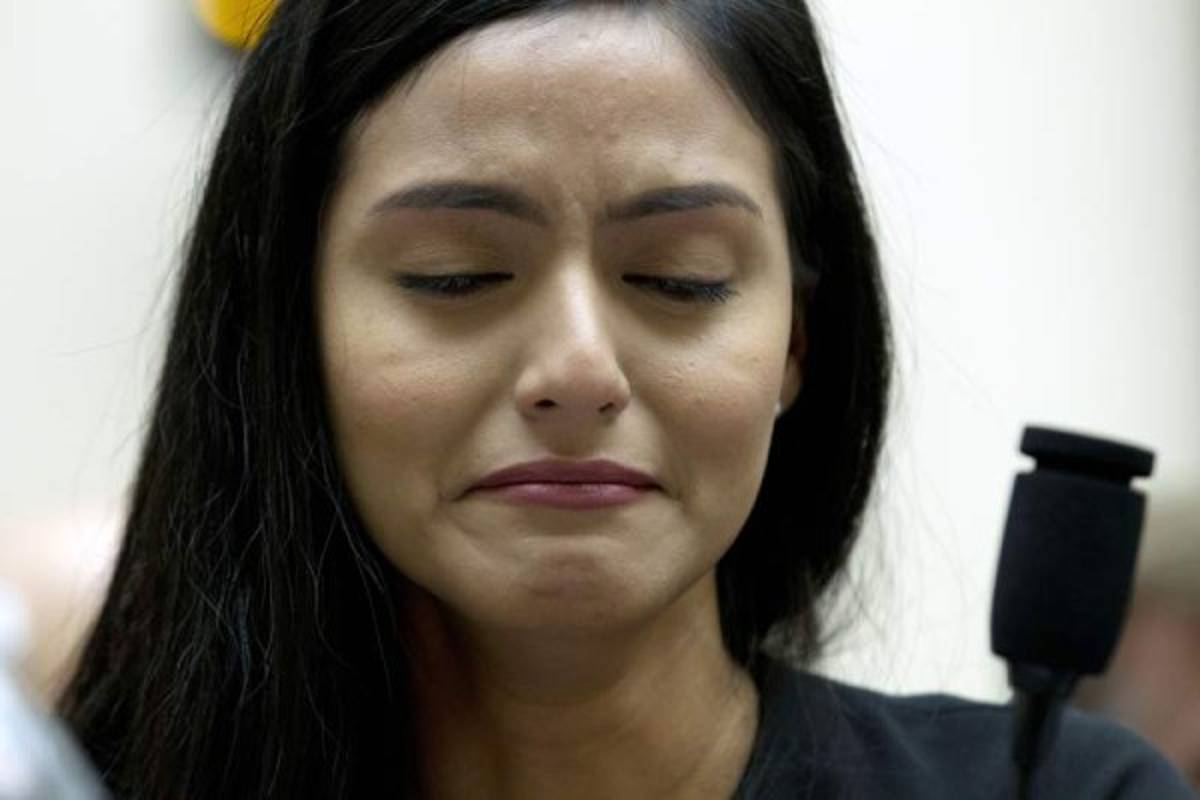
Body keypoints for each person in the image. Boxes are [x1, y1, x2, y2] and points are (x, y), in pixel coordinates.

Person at [55, 1, 1195, 798]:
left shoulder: (1073, 788)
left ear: (796, 339)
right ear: (291, 331)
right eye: (455, 275)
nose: (578, 370)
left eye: (678, 279)